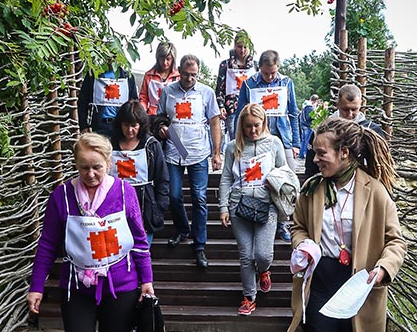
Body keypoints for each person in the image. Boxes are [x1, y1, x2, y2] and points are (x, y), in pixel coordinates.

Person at [279, 117, 406, 332]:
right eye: (314, 152)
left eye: (321, 152)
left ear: (344, 153)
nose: (314, 157)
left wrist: (383, 269)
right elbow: (298, 226)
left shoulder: (374, 191)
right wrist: (303, 244)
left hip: (360, 283)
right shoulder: (312, 189)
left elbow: (396, 241)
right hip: (321, 279)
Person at [27, 133, 154, 332]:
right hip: (77, 287)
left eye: (97, 167)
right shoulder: (62, 197)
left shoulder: (125, 193)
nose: (91, 174)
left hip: (120, 285)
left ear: (109, 163)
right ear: (76, 165)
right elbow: (47, 244)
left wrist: (147, 280)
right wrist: (37, 285)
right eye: (84, 168)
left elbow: (138, 240)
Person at [218, 103, 287, 316]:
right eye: (248, 126)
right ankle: (249, 297)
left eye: (257, 125)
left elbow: (285, 172)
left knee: (262, 254)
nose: (253, 131)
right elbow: (226, 178)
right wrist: (223, 207)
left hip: (267, 206)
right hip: (240, 206)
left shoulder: (274, 143)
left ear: (264, 123)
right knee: (246, 255)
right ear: (242, 126)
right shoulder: (232, 146)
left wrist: (279, 187)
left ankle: (265, 270)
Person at [156, 54, 222, 269]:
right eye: (186, 74)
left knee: (199, 198)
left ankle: (199, 245)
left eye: (193, 75)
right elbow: (159, 117)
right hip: (174, 150)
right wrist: (161, 128)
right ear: (179, 71)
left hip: (198, 152)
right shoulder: (168, 91)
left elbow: (214, 122)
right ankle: (183, 229)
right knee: (174, 195)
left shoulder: (207, 92)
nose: (189, 79)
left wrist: (216, 153)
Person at [235, 49, 300, 243]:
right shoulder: (249, 84)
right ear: (259, 68)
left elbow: (293, 112)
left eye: (273, 73)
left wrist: (296, 143)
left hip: (282, 138)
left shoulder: (287, 83)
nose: (270, 77)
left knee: (287, 181)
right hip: (255, 141)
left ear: (278, 68)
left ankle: (283, 223)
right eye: (266, 73)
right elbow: (240, 114)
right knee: (259, 180)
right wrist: (237, 142)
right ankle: (257, 219)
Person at [110, 100, 170, 245]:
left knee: (142, 252)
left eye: (134, 126)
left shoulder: (151, 145)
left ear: (141, 125)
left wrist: (160, 206)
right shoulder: (109, 145)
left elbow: (162, 178)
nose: (129, 130)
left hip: (145, 208)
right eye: (126, 125)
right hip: (115, 208)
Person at [304, 84, 385, 178]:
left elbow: (382, 166)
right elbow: (311, 166)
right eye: (345, 109)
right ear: (337, 104)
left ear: (362, 103)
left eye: (354, 109)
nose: (350, 114)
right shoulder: (323, 130)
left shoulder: (372, 130)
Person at [215, 32, 257, 140]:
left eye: (245, 47)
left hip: (252, 108)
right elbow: (220, 87)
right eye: (239, 47)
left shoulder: (256, 66)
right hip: (232, 108)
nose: (242, 50)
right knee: (235, 138)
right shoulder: (225, 65)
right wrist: (221, 106)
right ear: (234, 46)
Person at [78, 65, 138, 137]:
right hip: (99, 125)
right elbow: (83, 101)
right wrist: (83, 126)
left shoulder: (127, 76)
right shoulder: (93, 74)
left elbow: (134, 103)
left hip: (121, 126)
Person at [139, 42, 180, 116]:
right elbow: (143, 98)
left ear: (173, 59)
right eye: (162, 59)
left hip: (172, 117)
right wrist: (141, 113)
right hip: (152, 116)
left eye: (168, 59)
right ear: (157, 59)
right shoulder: (149, 75)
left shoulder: (178, 77)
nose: (165, 62)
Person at [298, 94, 319, 159]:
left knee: (303, 140)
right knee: (307, 141)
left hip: (303, 124)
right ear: (315, 100)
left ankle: (301, 154)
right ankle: (306, 154)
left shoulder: (304, 106)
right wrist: (315, 115)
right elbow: (309, 117)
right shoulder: (309, 108)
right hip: (307, 125)